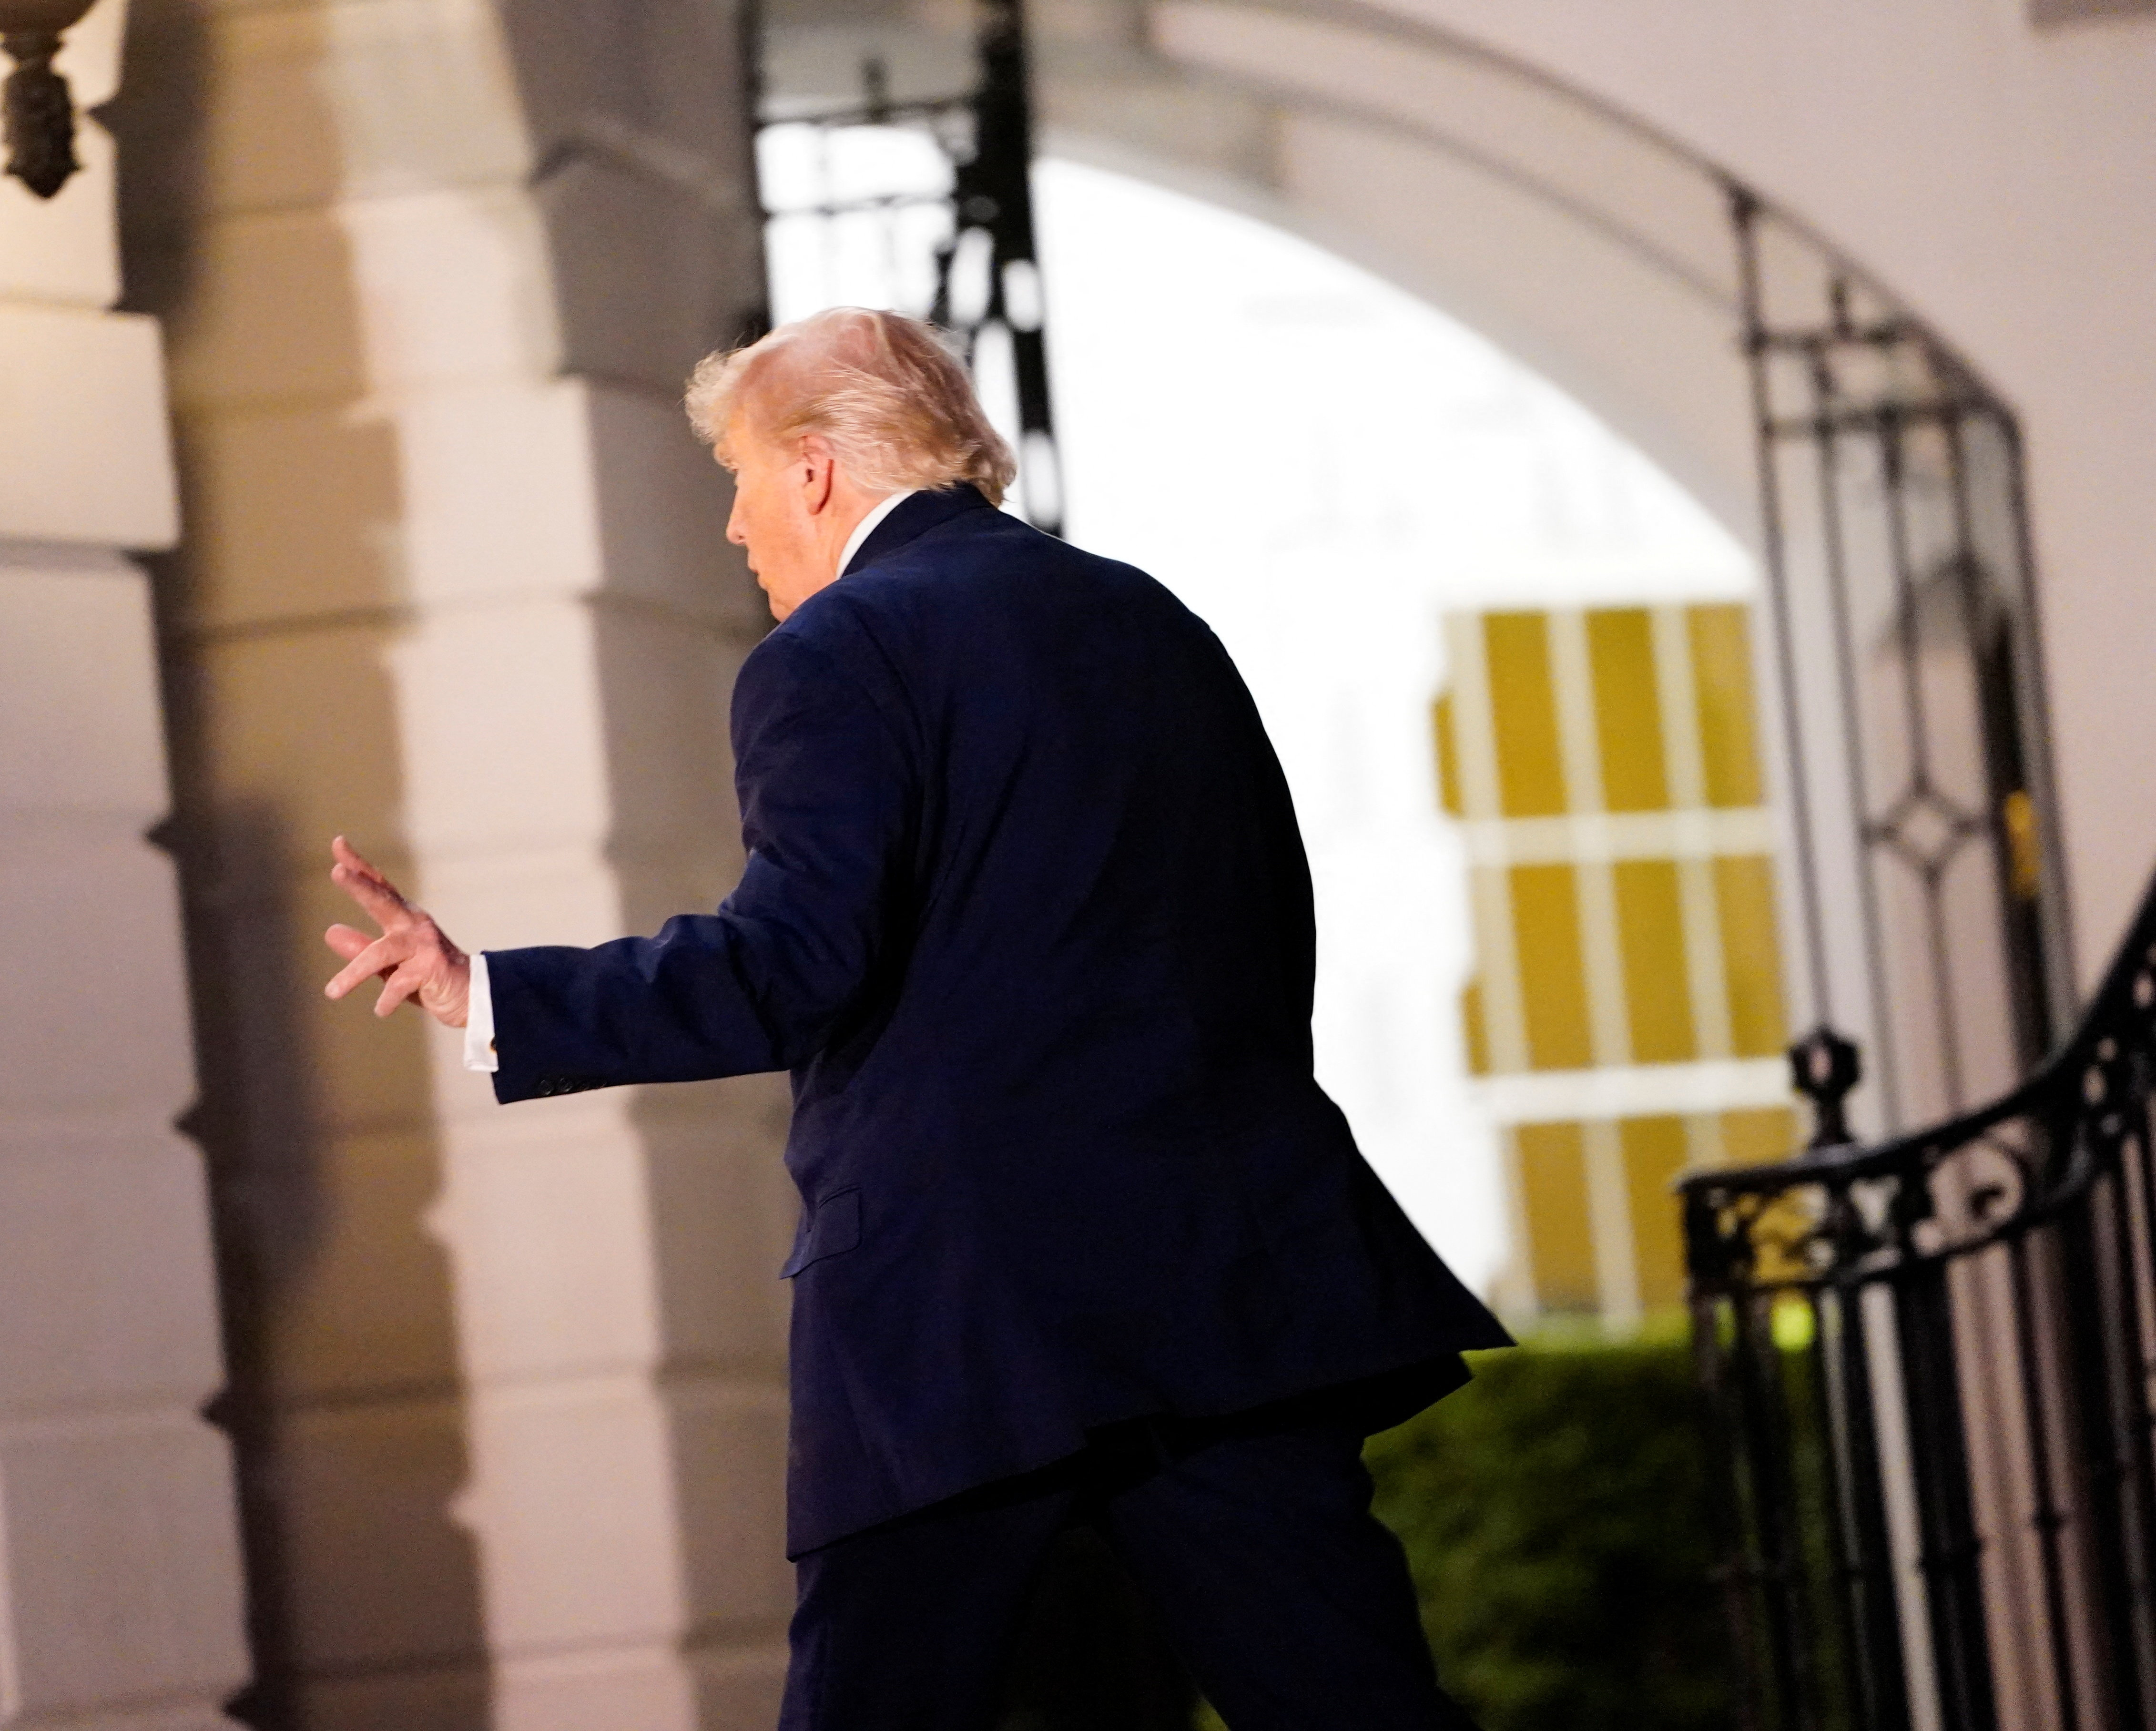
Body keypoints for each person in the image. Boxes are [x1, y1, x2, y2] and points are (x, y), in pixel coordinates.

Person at [322, 307, 1510, 1729]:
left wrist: (498, 991)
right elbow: (1257, 928)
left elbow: (794, 960)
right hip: (1226, 1284)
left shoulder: (833, 654)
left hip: (963, 1318)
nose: (734, 527)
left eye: (743, 480)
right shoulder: (1151, 620)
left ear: (816, 472)